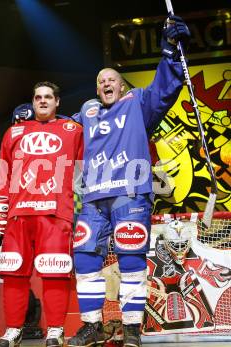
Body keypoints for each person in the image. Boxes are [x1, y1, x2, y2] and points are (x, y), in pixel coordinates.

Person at [66, 15, 191, 347]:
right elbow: (62, 133)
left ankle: (132, 327)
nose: (105, 83)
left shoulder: (137, 104)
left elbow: (165, 88)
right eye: (100, 81)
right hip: (93, 197)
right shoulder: (87, 111)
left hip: (130, 194)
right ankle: (92, 325)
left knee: (131, 259)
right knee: (85, 258)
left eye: (111, 79)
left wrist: (170, 49)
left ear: (121, 85)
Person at [0, 81, 84, 347]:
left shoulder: (73, 131)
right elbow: (3, 173)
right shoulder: (14, 132)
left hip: (55, 213)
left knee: (55, 271)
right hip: (18, 214)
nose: (42, 101)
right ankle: (13, 330)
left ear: (57, 102)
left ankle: (55, 330)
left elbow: (84, 170)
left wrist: (82, 208)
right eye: (38, 97)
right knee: (13, 271)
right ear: (32, 102)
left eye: (48, 97)